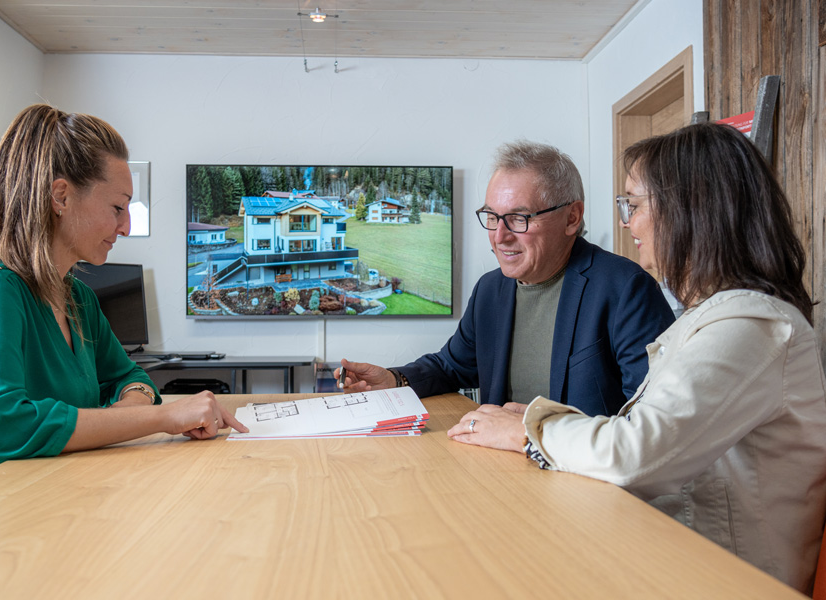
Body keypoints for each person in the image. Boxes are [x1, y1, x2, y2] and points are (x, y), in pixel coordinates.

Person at [448, 122, 826, 593]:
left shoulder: (750, 326)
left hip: (713, 577)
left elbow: (636, 452)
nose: (627, 222)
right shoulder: (713, 317)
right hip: (660, 549)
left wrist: (531, 428)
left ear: (693, 211)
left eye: (635, 204)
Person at [0, 104, 247, 491]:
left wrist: (125, 414)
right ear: (60, 197)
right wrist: (160, 418)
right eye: (117, 207)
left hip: (62, 490)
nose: (127, 227)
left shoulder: (78, 297)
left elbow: (129, 377)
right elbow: (0, 429)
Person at [338, 141, 674, 417]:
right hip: (502, 475)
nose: (499, 236)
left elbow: (647, 420)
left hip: (584, 485)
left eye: (518, 218)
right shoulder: (490, 289)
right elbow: (451, 366)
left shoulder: (626, 288)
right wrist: (395, 379)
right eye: (492, 217)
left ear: (572, 217)